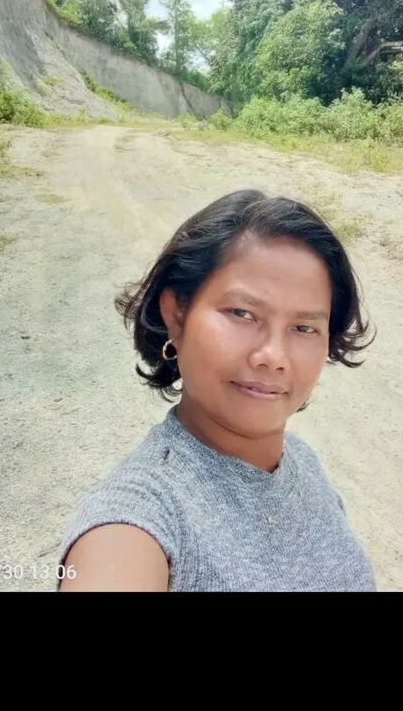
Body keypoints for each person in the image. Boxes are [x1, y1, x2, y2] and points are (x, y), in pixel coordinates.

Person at [57, 188, 377, 591]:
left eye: (304, 327)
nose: (274, 356)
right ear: (177, 314)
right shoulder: (139, 520)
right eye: (242, 313)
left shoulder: (302, 462)